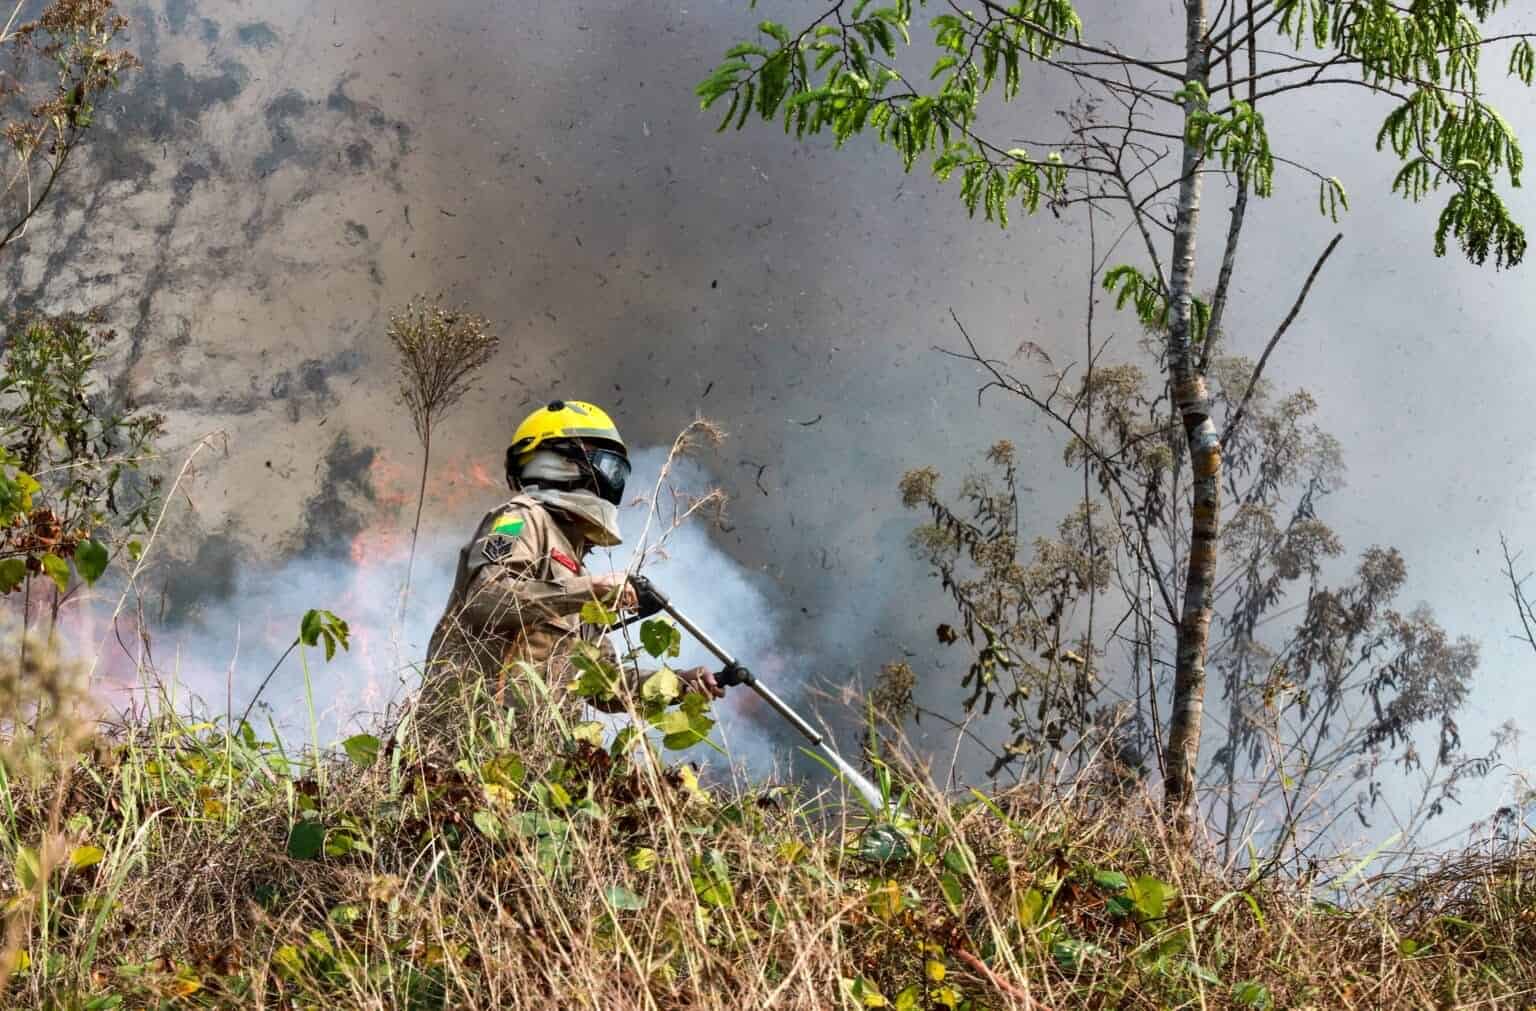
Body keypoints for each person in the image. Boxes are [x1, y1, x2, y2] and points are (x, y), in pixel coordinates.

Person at [414, 399, 723, 744]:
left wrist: (678, 684)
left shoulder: (574, 569)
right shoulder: (518, 518)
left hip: (529, 758)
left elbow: (602, 683)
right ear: (555, 462)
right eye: (604, 463)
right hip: (465, 744)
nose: (612, 479)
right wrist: (589, 591)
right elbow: (486, 599)